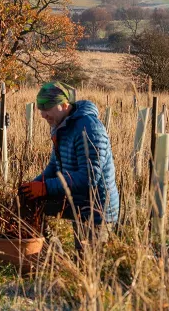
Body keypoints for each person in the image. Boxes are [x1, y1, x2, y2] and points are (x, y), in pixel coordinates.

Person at [20, 82, 119, 255]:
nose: (43, 115)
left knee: (89, 263)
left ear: (65, 105)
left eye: (47, 109)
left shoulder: (89, 129)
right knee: (31, 202)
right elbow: (54, 166)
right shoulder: (61, 126)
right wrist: (34, 185)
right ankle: (53, 255)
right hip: (75, 200)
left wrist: (45, 188)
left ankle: (69, 265)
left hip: (96, 209)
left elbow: (89, 177)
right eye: (40, 109)